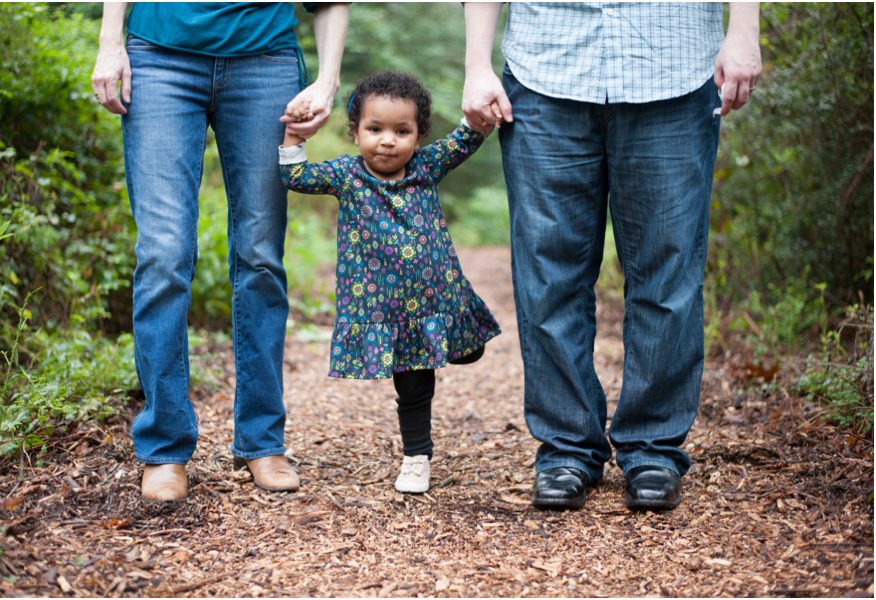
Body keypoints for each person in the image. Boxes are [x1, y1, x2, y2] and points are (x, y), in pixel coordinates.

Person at [463, 3, 761, 510]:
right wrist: (476, 64)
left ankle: (654, 449)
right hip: (545, 65)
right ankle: (566, 449)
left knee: (668, 273)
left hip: (674, 64)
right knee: (548, 276)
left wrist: (744, 32)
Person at [91, 2, 350, 502]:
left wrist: (327, 80)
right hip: (160, 57)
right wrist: (110, 41)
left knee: (260, 256)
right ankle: (164, 448)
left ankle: (262, 440)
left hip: (265, 61)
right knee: (163, 254)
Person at [279, 72, 501, 493]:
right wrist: (294, 134)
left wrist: (478, 113)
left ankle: (452, 339)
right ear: (355, 132)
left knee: (468, 351)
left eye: (402, 131)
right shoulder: (347, 175)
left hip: (437, 300)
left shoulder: (426, 166)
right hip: (390, 313)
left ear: (418, 137)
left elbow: (465, 139)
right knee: (414, 385)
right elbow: (296, 176)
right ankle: (417, 457)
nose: (387, 141)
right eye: (375, 129)